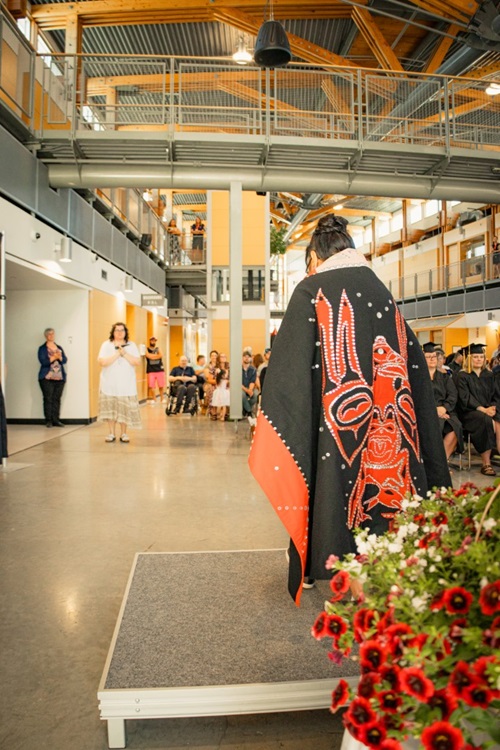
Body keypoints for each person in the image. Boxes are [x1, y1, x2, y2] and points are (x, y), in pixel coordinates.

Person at [249, 214, 451, 605]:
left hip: (336, 422)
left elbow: (288, 370)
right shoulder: (382, 292)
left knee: (320, 479)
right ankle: (379, 573)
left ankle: (314, 568)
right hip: (392, 424)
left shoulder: (311, 289)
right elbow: (411, 364)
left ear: (314, 257)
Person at [457, 343, 500, 476]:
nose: (479, 359)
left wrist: (493, 407)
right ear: (469, 358)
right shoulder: (462, 376)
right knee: (485, 420)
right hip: (470, 412)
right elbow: (465, 398)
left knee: (497, 419)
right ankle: (486, 463)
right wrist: (483, 409)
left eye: (481, 357)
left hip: (489, 410)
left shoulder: (489, 375)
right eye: (475, 357)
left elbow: (495, 395)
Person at [97, 322, 141, 443]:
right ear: (113, 332)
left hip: (126, 384)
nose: (120, 332)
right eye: (117, 330)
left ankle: (124, 433)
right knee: (111, 409)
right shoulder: (106, 345)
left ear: (126, 332)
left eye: (122, 330)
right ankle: (111, 433)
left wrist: (124, 353)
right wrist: (117, 354)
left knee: (124, 410)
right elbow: (102, 362)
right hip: (109, 384)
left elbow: (137, 362)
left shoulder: (131, 345)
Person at [422, 343, 463, 460]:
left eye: (434, 356)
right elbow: (419, 398)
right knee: (434, 426)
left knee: (455, 427)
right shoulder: (419, 378)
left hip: (446, 410)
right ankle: (434, 462)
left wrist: (444, 408)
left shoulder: (445, 377)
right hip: (426, 412)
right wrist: (434, 410)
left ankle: (442, 462)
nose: (432, 359)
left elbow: (453, 395)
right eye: (428, 357)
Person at [37, 327, 67, 428]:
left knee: (56, 399)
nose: (51, 336)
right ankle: (48, 420)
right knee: (48, 398)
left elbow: (64, 360)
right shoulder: (42, 348)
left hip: (59, 378)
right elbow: (43, 362)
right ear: (46, 336)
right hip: (47, 378)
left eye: (53, 334)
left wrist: (60, 357)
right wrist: (54, 357)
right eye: (49, 334)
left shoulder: (59, 347)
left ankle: (56, 420)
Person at [145, 336, 166, 404]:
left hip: (159, 369)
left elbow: (161, 355)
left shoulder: (158, 348)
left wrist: (152, 356)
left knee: (161, 385)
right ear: (150, 341)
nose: (153, 342)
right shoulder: (146, 349)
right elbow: (148, 355)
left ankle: (162, 399)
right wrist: (156, 356)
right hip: (151, 370)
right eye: (152, 340)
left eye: (154, 341)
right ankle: (154, 399)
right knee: (152, 386)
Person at [242, 348, 258, 417]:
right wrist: (247, 390)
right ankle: (249, 411)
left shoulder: (253, 369)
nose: (246, 358)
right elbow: (238, 382)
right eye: (245, 356)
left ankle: (245, 409)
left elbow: (252, 381)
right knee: (242, 395)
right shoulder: (238, 368)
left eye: (248, 357)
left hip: (250, 387)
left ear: (250, 358)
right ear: (242, 358)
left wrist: (250, 390)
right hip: (241, 388)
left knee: (255, 394)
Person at [203, 350, 219, 420]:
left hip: (219, 383)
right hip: (209, 383)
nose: (214, 357)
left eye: (215, 355)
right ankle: (212, 410)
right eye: (212, 355)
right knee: (211, 389)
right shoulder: (207, 366)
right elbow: (207, 377)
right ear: (210, 357)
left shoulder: (220, 365)